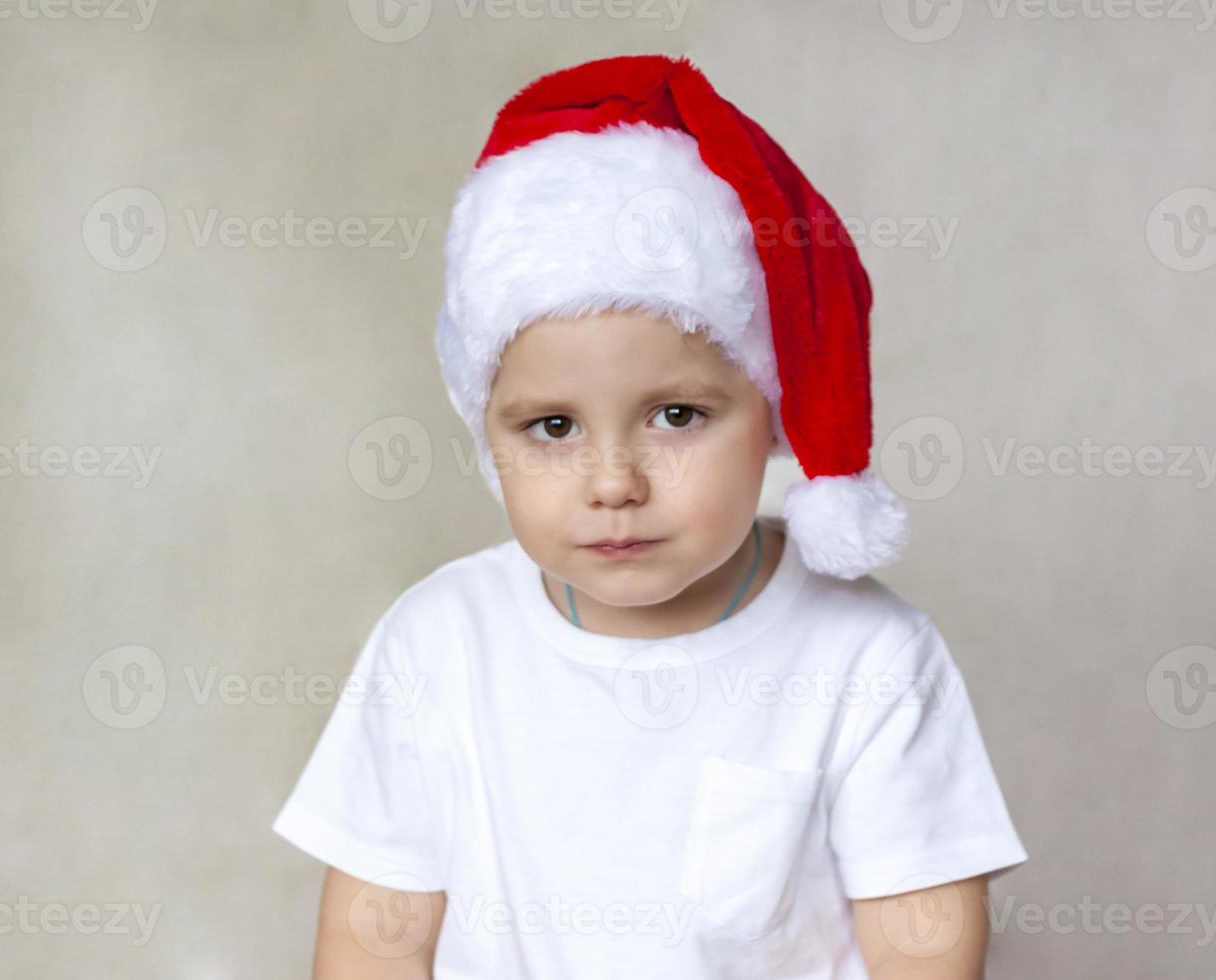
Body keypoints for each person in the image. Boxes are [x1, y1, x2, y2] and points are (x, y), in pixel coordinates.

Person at [271, 54, 1028, 980]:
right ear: (487, 431)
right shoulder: (439, 645)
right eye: (552, 427)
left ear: (772, 410)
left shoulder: (867, 660)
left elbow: (925, 953)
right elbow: (371, 947)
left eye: (677, 416)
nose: (614, 480)